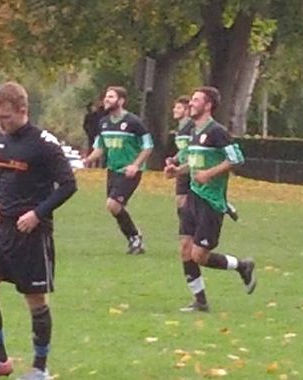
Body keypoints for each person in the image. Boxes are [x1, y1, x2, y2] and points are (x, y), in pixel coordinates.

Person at [0, 82, 78, 380]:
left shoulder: (44, 144)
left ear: (22, 110)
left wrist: (38, 214)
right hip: (0, 229)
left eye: (5, 117)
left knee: (36, 301)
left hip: (31, 234)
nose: (0, 123)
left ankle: (40, 368)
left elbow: (68, 185)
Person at [164, 87, 256, 312]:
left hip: (211, 202)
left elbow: (236, 159)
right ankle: (200, 301)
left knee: (199, 256)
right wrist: (178, 171)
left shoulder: (217, 131)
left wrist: (209, 174)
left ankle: (242, 266)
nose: (191, 103)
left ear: (208, 106)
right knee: (185, 249)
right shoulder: (194, 131)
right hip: (193, 196)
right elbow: (194, 162)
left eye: (196, 100)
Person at [82, 86, 153, 255]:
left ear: (121, 101)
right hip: (112, 171)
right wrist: (88, 160)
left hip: (129, 171)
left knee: (113, 204)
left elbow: (148, 146)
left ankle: (134, 237)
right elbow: (100, 147)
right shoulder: (103, 123)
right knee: (114, 207)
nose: (106, 100)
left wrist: (135, 165)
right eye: (106, 96)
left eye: (111, 97)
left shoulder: (133, 122)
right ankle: (134, 238)